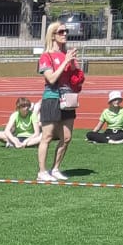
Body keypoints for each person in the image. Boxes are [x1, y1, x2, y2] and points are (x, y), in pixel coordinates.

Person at [36, 20, 84, 183]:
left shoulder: (67, 55)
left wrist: (74, 66)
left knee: (67, 137)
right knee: (47, 136)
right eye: (61, 32)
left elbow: (75, 79)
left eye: (65, 31)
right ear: (53, 35)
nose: (65, 34)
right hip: (52, 97)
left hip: (68, 99)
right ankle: (42, 171)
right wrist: (65, 62)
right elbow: (51, 79)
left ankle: (55, 168)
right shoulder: (46, 56)